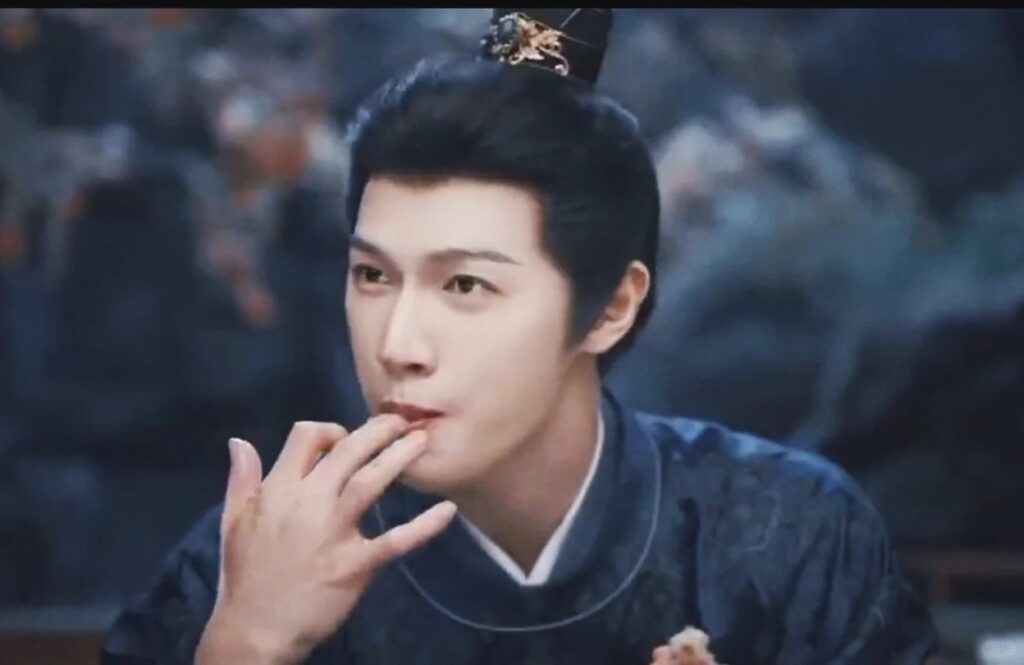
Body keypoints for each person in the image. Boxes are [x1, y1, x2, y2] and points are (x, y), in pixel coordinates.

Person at [100, 9, 938, 664]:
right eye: (373, 276)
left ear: (611, 306)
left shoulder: (790, 536)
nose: (399, 344)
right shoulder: (256, 556)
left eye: (465, 284)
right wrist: (245, 644)